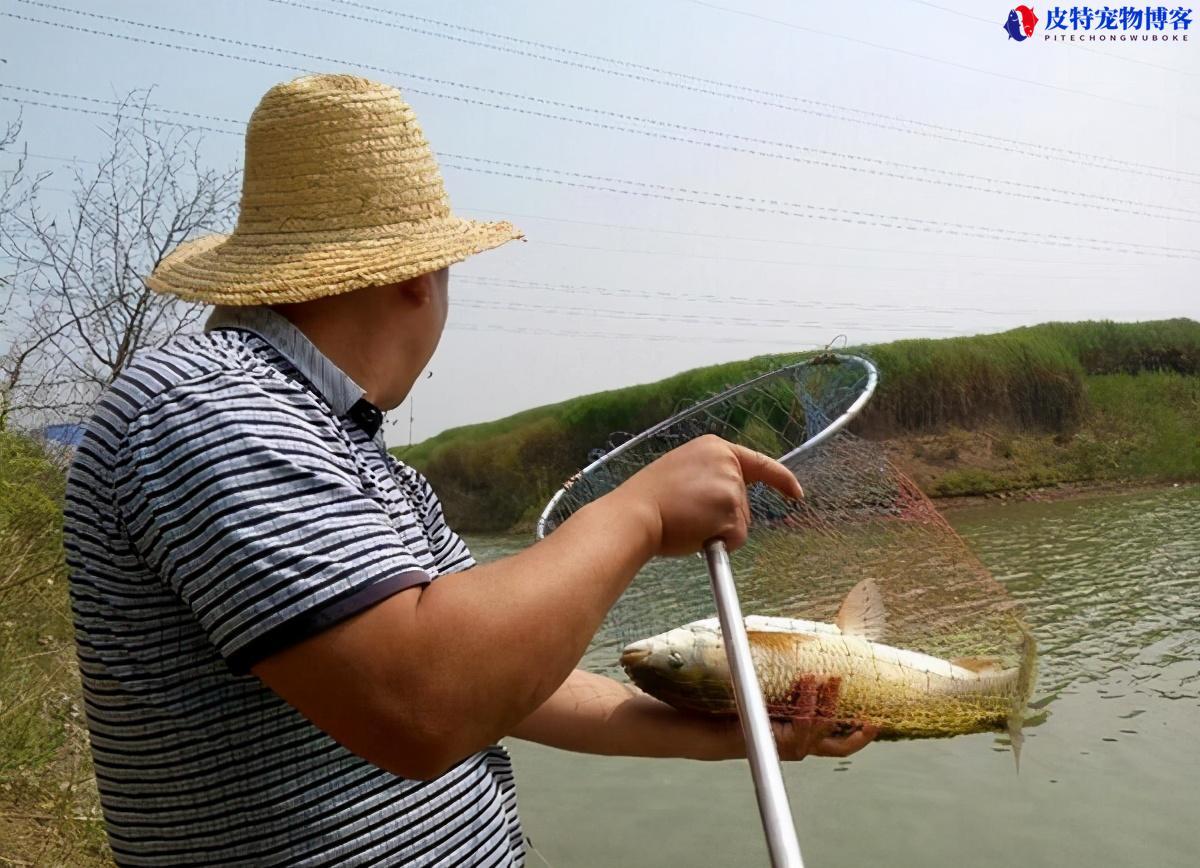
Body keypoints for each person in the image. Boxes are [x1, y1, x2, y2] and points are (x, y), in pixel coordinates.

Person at [64, 74, 873, 866]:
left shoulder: (350, 448)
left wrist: (727, 734)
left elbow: (509, 686)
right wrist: (639, 515)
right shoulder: (209, 404)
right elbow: (426, 706)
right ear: (420, 275)